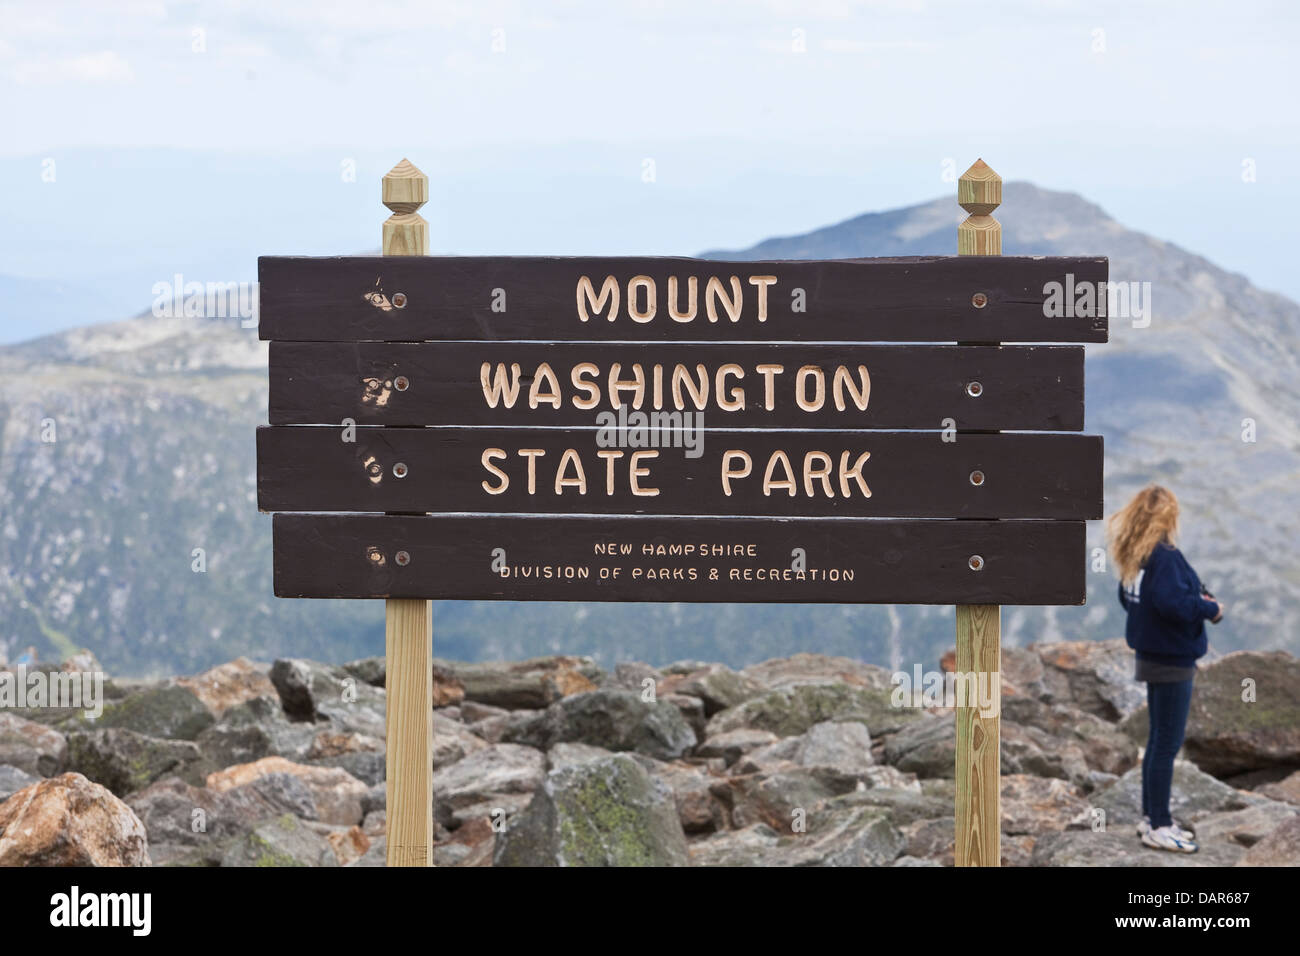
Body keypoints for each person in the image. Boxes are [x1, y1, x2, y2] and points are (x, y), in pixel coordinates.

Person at [1107, 485, 1223, 854]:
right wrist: (1209, 609)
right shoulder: (1166, 557)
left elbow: (1132, 600)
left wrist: (1155, 626)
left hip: (1151, 656)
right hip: (1173, 661)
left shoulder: (1136, 556)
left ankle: (1151, 817)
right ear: (1168, 516)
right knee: (1166, 743)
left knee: (1158, 741)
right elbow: (1172, 604)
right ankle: (1159, 825)